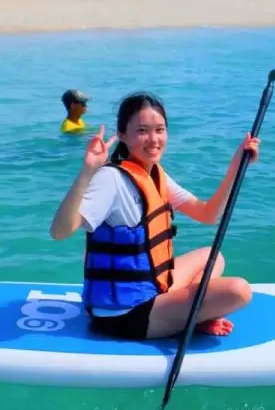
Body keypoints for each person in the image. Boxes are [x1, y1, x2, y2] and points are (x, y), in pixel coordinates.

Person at [49, 92, 259, 340]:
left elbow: (208, 214)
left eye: (159, 129)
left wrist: (236, 167)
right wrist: (87, 171)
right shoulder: (112, 179)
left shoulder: (154, 173)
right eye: (142, 131)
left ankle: (190, 313)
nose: (153, 139)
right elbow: (59, 232)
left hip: (152, 290)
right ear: (123, 135)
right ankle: (191, 313)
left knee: (213, 257)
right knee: (239, 290)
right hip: (123, 315)